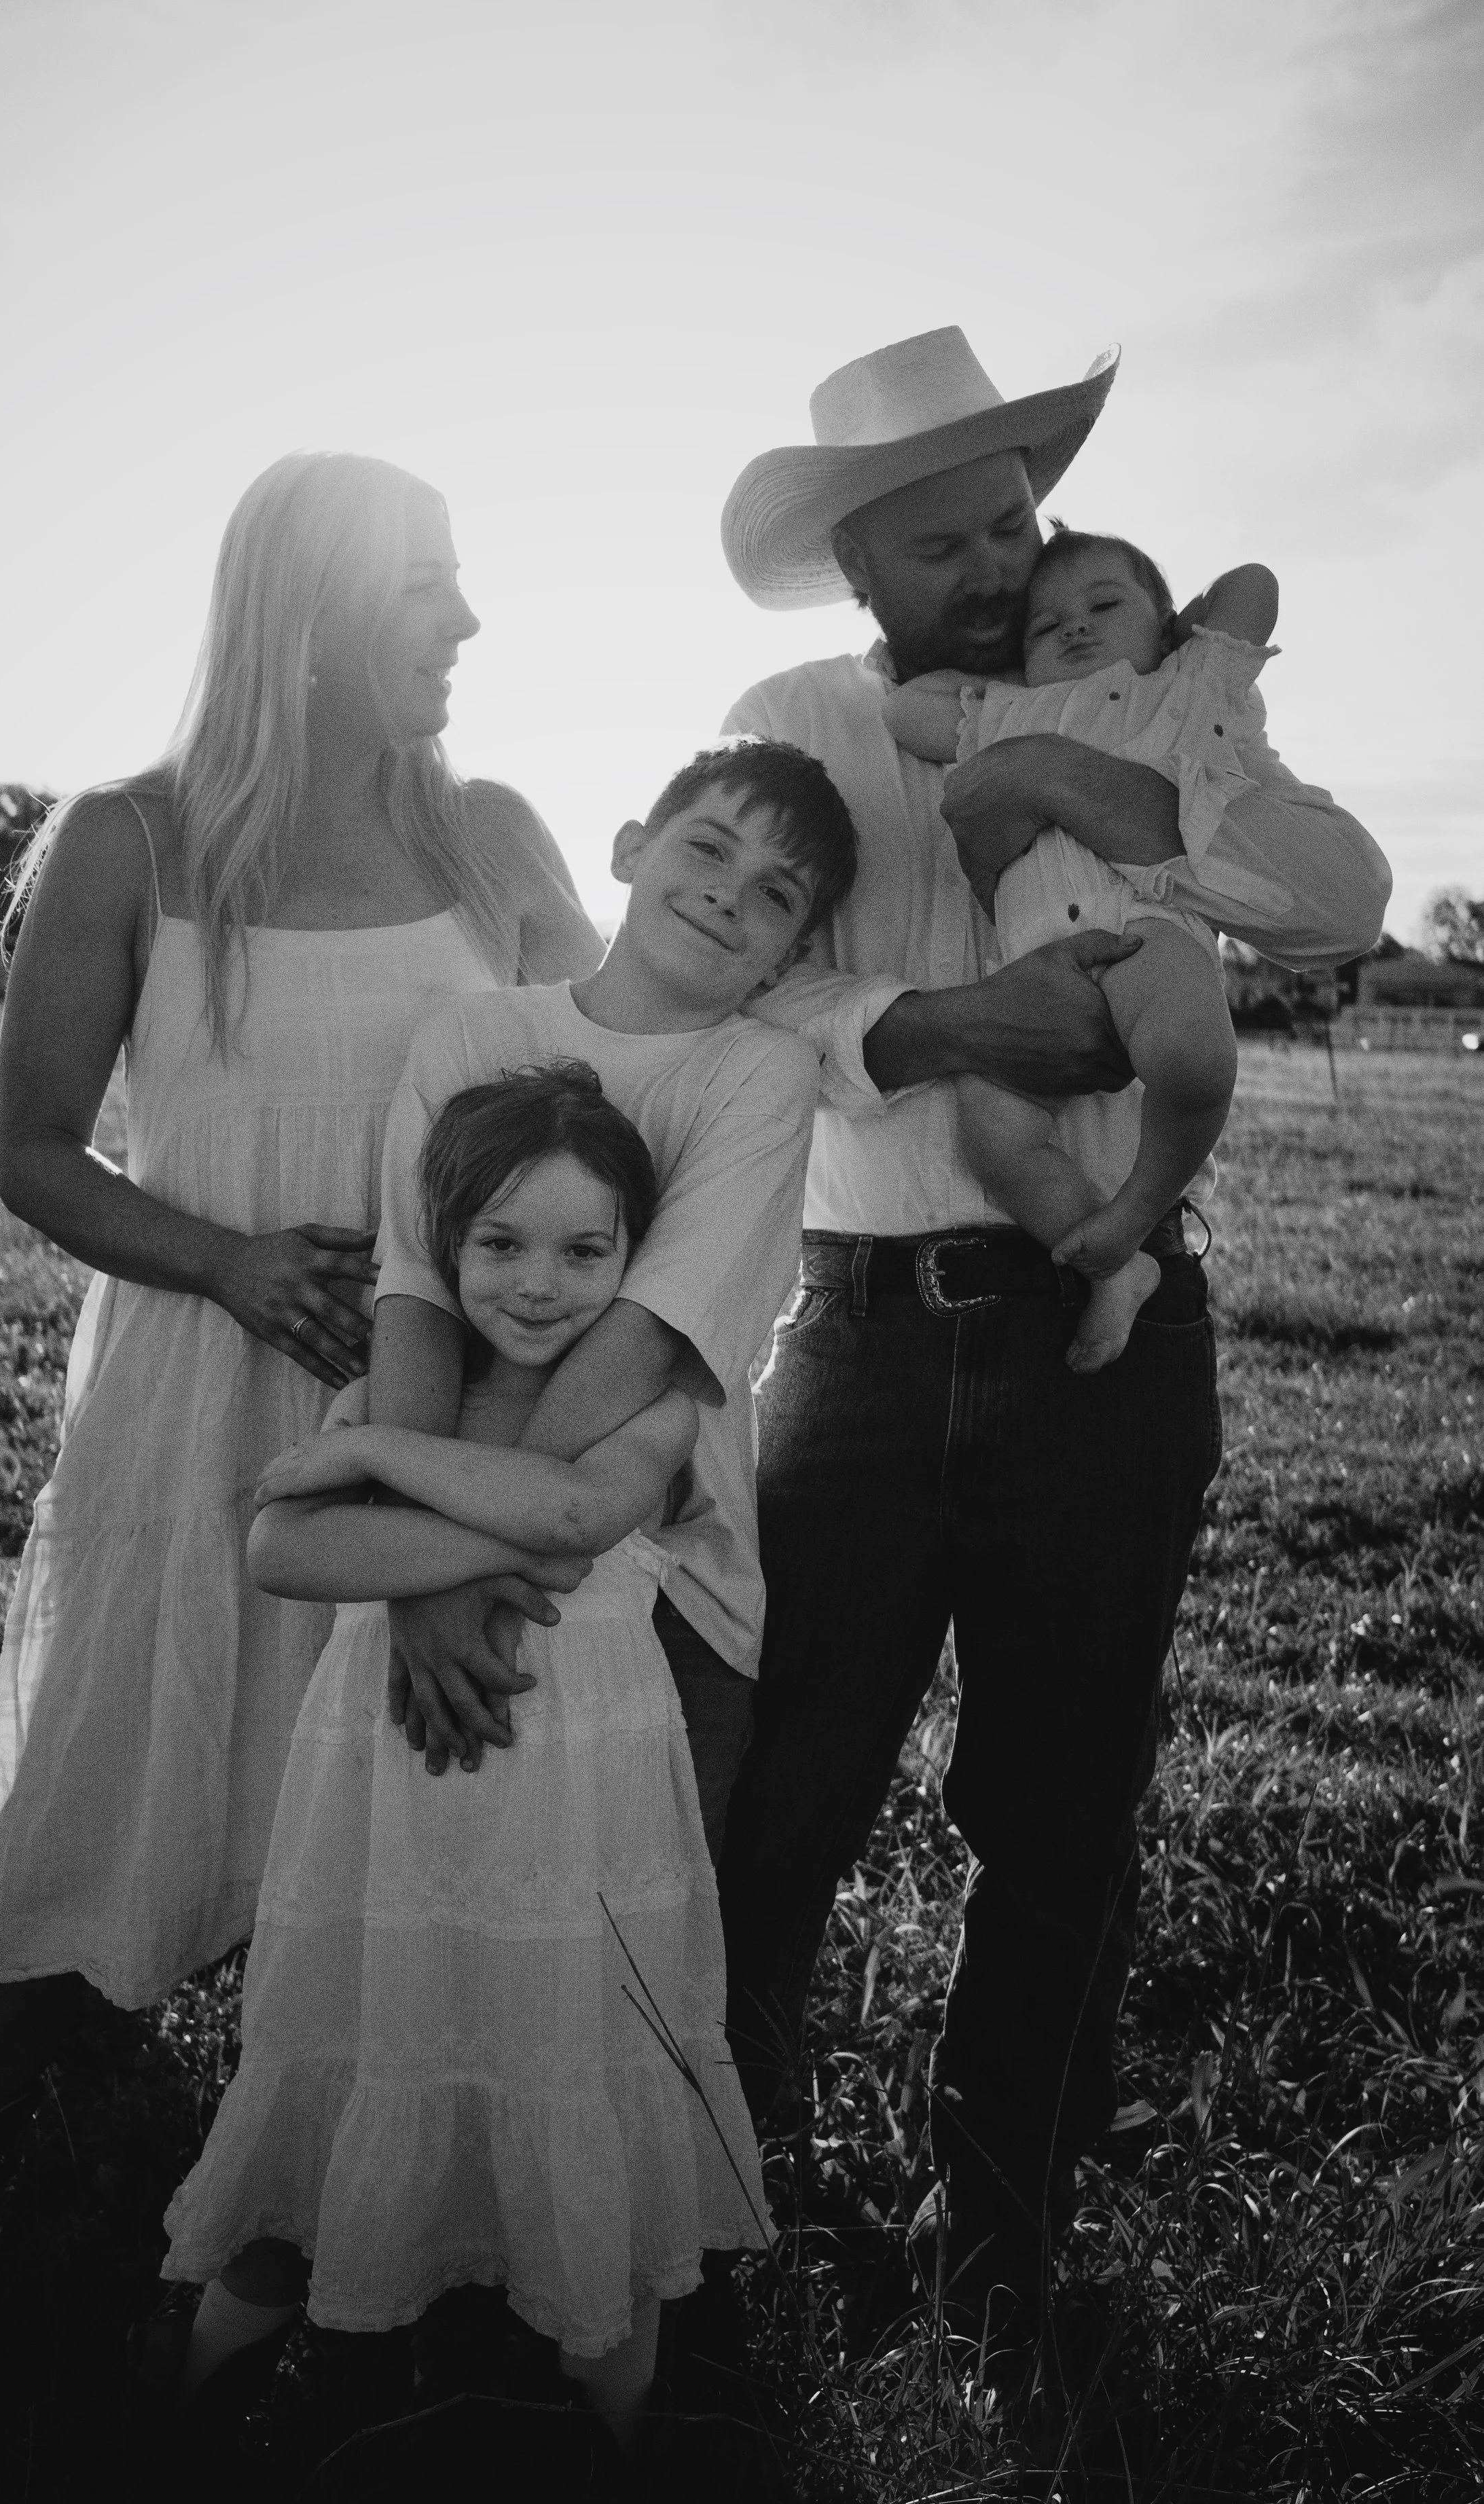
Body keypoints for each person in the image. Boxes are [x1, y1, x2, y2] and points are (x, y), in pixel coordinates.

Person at [0, 451, 602, 2387]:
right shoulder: (129, 842)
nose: (470, 625)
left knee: (420, 1799)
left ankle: (389, 2261)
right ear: (310, 615)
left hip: (443, 1406)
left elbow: (614, 1101)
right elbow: (34, 1154)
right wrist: (235, 1261)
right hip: (190, 1400)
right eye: (428, 588)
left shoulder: (492, 833)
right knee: (97, 1788)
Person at [712, 327, 1392, 2357]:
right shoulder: (794, 715)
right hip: (856, 1332)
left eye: (1014, 513)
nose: (1003, 556)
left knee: (1061, 1803)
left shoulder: (1142, 694)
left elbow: (1335, 895)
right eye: (947, 539)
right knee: (785, 1790)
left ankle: (993, 2225)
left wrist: (1090, 780)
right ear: (857, 569)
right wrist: (926, 1030)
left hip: (1108, 1331)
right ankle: (720, 2189)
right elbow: (712, 978)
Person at [158, 1066, 768, 2458]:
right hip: (393, 1794)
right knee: (365, 2048)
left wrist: (377, 1463)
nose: (537, 1283)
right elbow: (285, 1549)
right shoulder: (405, 1382)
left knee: (574, 2060)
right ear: (442, 1247)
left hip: (577, 1797)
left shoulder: (665, 1393)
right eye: (499, 1243)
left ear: (634, 1258)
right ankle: (186, 2410)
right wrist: (494, 1517)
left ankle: (613, 2460)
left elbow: (579, 1504)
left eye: (581, 1249)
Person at [364, 738, 867, 1883]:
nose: (726, 894)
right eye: (706, 847)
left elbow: (648, 1339)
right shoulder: (473, 1038)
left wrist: (449, 1552)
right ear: (631, 849)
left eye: (775, 894)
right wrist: (419, 1575)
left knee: (640, 1948)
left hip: (668, 1582)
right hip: (432, 1560)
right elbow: (416, 1295)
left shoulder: (759, 1074)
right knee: (448, 1915)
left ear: (795, 948)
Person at [883, 528, 1280, 1371]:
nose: (1074, 628)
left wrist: (1186, 634)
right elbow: (903, 708)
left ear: (1165, 625)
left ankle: (1137, 1208)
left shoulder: (1183, 684)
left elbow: (1254, 582)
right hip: (1032, 966)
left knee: (1192, 1062)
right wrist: (1003, 684)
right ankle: (1109, 1260)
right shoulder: (1008, 713)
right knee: (994, 1137)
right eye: (1045, 624)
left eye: (1105, 606)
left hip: (1145, 930)